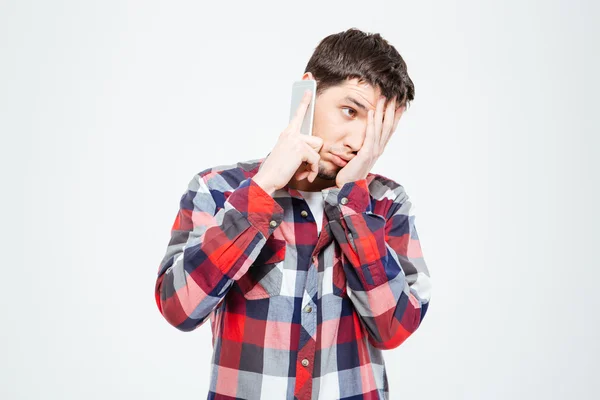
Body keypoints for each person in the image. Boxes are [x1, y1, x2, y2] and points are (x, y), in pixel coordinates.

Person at [154, 27, 432, 400]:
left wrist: (352, 202)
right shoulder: (216, 190)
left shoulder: (386, 204)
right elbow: (179, 309)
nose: (357, 142)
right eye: (350, 111)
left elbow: (393, 329)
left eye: (377, 127)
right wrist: (263, 188)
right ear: (308, 92)